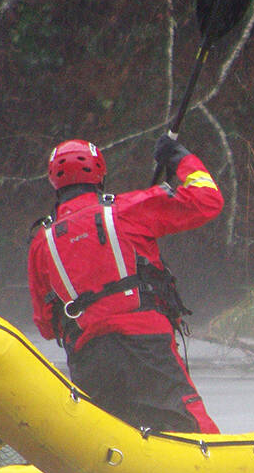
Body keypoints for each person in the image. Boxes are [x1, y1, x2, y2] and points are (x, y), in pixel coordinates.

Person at [27, 135, 222, 433]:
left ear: (54, 181)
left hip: (89, 358)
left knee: (110, 437)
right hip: (146, 345)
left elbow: (45, 325)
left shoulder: (42, 241)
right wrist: (180, 158)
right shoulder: (126, 209)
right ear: (100, 171)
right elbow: (208, 200)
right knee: (192, 429)